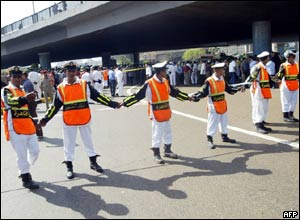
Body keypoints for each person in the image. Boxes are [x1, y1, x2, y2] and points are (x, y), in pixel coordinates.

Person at [38, 62, 121, 179]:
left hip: (84, 118)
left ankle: (93, 162)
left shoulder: (84, 84)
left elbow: (98, 96)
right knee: (68, 144)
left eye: (73, 70)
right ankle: (69, 167)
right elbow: (55, 106)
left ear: (76, 71)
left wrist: (113, 104)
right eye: (69, 71)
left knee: (88, 141)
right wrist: (45, 119)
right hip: (69, 120)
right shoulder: (61, 88)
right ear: (65, 72)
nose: (71, 73)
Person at [122, 61, 192, 164]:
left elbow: (174, 92)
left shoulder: (165, 81)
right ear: (160, 72)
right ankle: (156, 154)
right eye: (164, 71)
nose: (166, 72)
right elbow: (138, 96)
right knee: (157, 133)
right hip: (156, 112)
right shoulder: (149, 83)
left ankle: (167, 150)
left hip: (166, 111)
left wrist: (187, 97)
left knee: (168, 131)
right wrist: (125, 103)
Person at [1, 66, 40, 189]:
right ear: (10, 77)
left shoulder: (22, 90)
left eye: (19, 76)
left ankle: (23, 169)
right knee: (21, 154)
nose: (17, 79)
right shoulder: (6, 90)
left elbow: (26, 109)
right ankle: (25, 177)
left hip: (28, 126)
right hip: (15, 127)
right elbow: (10, 102)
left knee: (35, 151)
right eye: (15, 77)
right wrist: (25, 98)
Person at [192, 63, 245, 149]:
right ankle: (209, 139)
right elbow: (203, 92)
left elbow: (229, 89)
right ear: (217, 71)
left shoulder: (222, 79)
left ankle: (224, 136)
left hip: (222, 104)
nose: (224, 71)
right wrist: (196, 97)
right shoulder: (209, 81)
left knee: (224, 122)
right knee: (212, 123)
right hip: (213, 106)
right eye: (222, 69)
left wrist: (238, 89)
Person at [249, 51, 273, 134]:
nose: (269, 59)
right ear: (265, 58)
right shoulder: (257, 67)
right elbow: (252, 78)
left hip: (264, 87)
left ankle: (261, 122)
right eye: (268, 57)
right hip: (259, 88)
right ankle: (258, 124)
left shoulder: (264, 67)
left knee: (264, 106)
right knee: (259, 106)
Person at [277, 50, 299, 122]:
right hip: (286, 86)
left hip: (295, 85)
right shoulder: (283, 65)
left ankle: (291, 115)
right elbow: (279, 76)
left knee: (294, 101)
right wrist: (277, 77)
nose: (291, 59)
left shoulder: (297, 64)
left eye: (292, 57)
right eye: (289, 57)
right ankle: (285, 116)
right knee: (285, 101)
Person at [22, 70, 44, 141]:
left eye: (21, 76)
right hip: (30, 102)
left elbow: (29, 94)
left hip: (30, 102)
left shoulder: (27, 83)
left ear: (24, 75)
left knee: (34, 118)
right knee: (33, 118)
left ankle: (39, 134)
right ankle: (37, 133)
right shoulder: (26, 82)